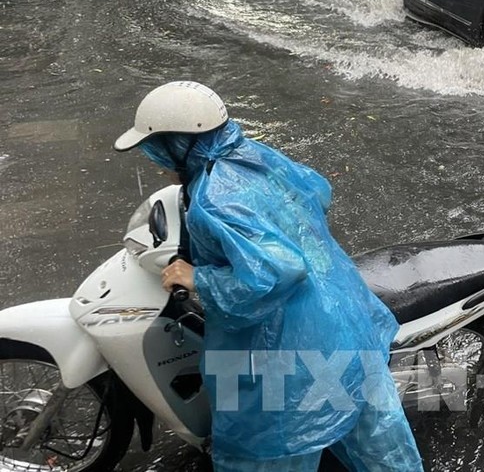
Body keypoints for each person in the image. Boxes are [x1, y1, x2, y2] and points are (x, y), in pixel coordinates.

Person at [114, 81, 424, 472]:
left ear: (180, 144)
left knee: (267, 451)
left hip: (294, 358)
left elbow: (276, 272)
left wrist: (199, 279)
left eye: (157, 149)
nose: (155, 159)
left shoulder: (214, 200)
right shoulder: (253, 154)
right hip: (346, 320)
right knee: (384, 450)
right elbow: (317, 191)